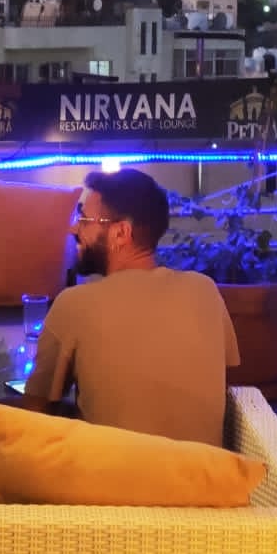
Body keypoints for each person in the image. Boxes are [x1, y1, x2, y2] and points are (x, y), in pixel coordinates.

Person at [23, 168, 238, 446]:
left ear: (121, 233)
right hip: (203, 483)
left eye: (84, 219)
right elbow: (224, 388)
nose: (73, 228)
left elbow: (35, 414)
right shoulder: (205, 291)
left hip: (110, 486)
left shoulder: (74, 304)